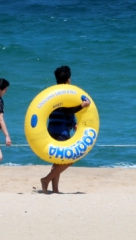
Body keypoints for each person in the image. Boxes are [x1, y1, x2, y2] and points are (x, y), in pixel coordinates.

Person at [40, 65, 91, 194]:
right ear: (69, 79)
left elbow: (65, 111)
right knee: (70, 159)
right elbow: (67, 110)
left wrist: (73, 124)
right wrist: (81, 105)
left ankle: (55, 189)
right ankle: (46, 180)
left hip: (52, 128)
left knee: (58, 161)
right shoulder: (63, 93)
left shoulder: (53, 93)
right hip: (60, 130)